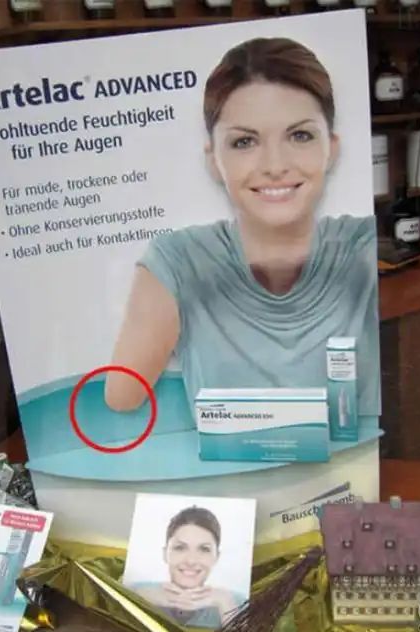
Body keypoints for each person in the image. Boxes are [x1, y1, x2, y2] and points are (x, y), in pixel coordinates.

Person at [105, 37, 380, 419]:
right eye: (245, 141)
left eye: (300, 135)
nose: (275, 165)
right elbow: (122, 396)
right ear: (213, 160)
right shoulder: (180, 260)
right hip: (230, 462)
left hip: (359, 459)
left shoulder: (366, 245)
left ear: (331, 148)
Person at [130, 506, 246, 628]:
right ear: (165, 553)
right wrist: (137, 599)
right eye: (180, 548)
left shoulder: (238, 603)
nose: (191, 561)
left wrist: (226, 605)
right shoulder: (134, 590)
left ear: (216, 557)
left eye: (204, 549)